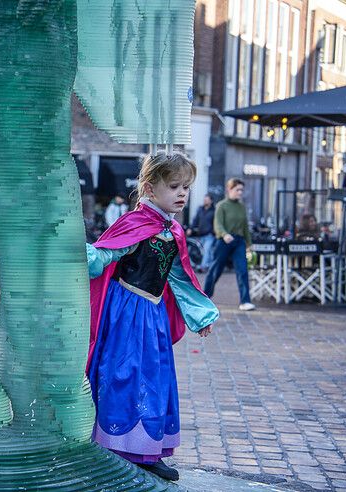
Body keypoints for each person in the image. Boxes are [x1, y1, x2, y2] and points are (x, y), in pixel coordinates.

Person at [86, 152, 219, 481]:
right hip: (124, 316)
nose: (182, 194)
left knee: (155, 380)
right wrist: (76, 249)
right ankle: (113, 447)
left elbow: (180, 277)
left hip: (153, 318)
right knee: (122, 376)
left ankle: (146, 450)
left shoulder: (173, 231)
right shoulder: (135, 224)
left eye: (186, 187)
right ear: (148, 187)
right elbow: (103, 255)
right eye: (174, 186)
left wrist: (200, 315)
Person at [203, 178, 255, 311]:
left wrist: (249, 243)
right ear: (229, 189)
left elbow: (244, 227)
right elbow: (218, 223)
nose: (240, 192)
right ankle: (204, 298)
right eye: (237, 189)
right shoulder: (222, 205)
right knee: (215, 270)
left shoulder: (242, 207)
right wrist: (224, 234)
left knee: (242, 270)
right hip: (224, 241)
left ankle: (245, 301)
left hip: (239, 242)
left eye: (242, 190)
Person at [187, 193, 216, 272]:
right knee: (205, 252)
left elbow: (216, 223)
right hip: (201, 235)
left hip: (210, 235)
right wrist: (190, 228)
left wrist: (214, 232)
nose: (205, 201)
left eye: (207, 200)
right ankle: (209, 266)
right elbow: (195, 220)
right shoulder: (200, 209)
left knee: (207, 250)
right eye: (204, 200)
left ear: (211, 201)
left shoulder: (214, 211)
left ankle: (202, 267)